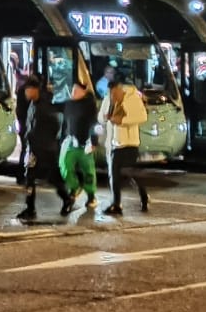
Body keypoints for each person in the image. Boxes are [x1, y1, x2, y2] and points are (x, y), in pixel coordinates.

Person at [15, 73, 70, 221]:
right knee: (30, 177)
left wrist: (47, 140)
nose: (26, 93)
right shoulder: (33, 104)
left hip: (46, 149)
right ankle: (30, 208)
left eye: (28, 90)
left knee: (54, 177)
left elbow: (56, 124)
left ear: (34, 90)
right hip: (34, 148)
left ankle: (66, 199)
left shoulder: (45, 106)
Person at [102, 67, 149, 215]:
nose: (113, 95)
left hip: (130, 143)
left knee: (130, 173)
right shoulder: (110, 98)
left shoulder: (132, 98)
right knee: (114, 174)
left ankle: (143, 195)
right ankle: (116, 204)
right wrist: (104, 117)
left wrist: (122, 121)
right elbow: (102, 116)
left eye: (115, 92)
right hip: (114, 143)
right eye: (111, 93)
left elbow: (142, 117)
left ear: (120, 88)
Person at [59, 72, 100, 211]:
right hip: (70, 141)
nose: (74, 92)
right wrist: (62, 139)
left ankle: (91, 196)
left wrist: (93, 141)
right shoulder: (69, 104)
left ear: (84, 92)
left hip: (85, 143)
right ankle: (74, 187)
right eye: (73, 89)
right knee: (64, 166)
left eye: (77, 90)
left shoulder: (89, 105)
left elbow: (95, 124)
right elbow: (65, 123)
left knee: (88, 171)